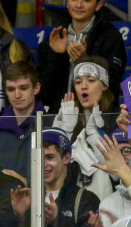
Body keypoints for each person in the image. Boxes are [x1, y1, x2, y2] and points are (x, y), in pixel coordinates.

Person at [12, 128, 99, 227]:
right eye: (39, 158)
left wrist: (56, 221)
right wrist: (20, 215)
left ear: (66, 158)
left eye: (49, 157)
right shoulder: (28, 197)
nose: (43, 163)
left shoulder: (86, 200)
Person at [36, 0, 125, 116]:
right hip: (58, 120)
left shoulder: (111, 37)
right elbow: (43, 95)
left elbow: (111, 87)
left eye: (86, 0)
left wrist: (84, 61)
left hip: (98, 120)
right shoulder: (54, 38)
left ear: (98, 5)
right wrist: (56, 56)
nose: (78, 5)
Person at [52, 57, 121, 199]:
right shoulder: (63, 115)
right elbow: (52, 166)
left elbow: (118, 171)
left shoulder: (118, 119)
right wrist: (67, 131)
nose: (83, 86)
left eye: (91, 80)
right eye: (78, 82)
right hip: (70, 197)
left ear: (104, 85)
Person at [0, 60, 47, 177]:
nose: (17, 95)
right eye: (11, 89)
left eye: (23, 88)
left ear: (36, 88)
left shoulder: (50, 126)